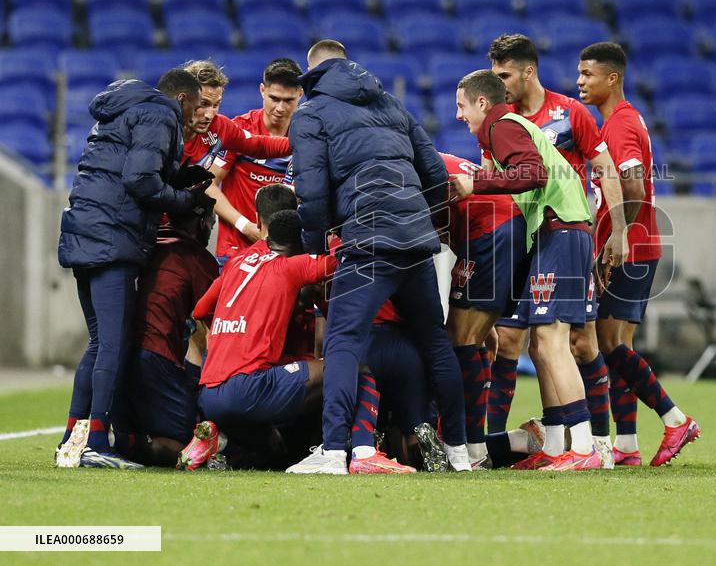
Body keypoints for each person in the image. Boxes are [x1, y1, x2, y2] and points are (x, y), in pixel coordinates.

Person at [286, 39, 469, 474]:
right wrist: (419, 220)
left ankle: (334, 452)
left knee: (342, 341)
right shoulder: (392, 105)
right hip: (416, 241)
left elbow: (311, 189)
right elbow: (435, 172)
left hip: (368, 242)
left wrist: (317, 244)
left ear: (312, 74)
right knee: (435, 341)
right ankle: (461, 453)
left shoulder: (311, 113)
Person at [55, 70, 213, 469]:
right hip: (113, 238)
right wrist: (185, 200)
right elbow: (140, 180)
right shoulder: (160, 114)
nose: (197, 115)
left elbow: (129, 168)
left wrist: (178, 176)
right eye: (196, 107)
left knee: (99, 343)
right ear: (181, 99)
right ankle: (95, 441)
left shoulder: (125, 109)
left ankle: (71, 439)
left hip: (85, 232)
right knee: (114, 343)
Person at [485, 34, 628, 465]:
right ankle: (516, 446)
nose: (498, 83)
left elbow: (605, 168)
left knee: (577, 342)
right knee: (515, 340)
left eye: (504, 75)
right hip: (524, 237)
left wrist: (618, 230)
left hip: (562, 231)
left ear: (528, 71)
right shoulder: (500, 120)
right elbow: (494, 182)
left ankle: (597, 443)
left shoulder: (569, 113)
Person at [451, 69, 600, 471]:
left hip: (560, 229)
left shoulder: (502, 125)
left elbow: (534, 173)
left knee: (552, 341)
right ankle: (553, 446)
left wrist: (477, 184)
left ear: (483, 103)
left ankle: (583, 448)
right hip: (558, 230)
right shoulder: (508, 127)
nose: (459, 115)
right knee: (539, 345)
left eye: (462, 106)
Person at [575, 41, 700, 467]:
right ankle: (627, 444)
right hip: (637, 244)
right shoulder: (623, 120)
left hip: (629, 246)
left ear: (612, 78)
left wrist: (619, 235)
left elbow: (632, 185)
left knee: (608, 343)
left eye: (588, 74)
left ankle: (675, 419)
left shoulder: (621, 125)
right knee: (620, 345)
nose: (579, 82)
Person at [188, 210, 329, 471]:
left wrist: (223, 331)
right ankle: (338, 450)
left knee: (275, 448)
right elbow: (338, 263)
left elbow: (200, 310)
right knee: (346, 367)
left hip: (209, 395)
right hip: (247, 387)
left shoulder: (236, 263)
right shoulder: (289, 267)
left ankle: (220, 445)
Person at [440, 151, 527, 467]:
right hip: (501, 228)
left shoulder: (413, 170)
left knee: (461, 339)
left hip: (490, 231)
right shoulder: (435, 160)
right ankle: (476, 443)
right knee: (469, 339)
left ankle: (473, 447)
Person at [119, 202, 218, 467]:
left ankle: (110, 437)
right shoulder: (196, 257)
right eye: (211, 221)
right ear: (200, 223)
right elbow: (215, 325)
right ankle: (122, 441)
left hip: (118, 352)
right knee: (193, 441)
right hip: (155, 353)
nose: (212, 227)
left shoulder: (146, 243)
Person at [208, 58, 303, 262]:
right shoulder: (239, 130)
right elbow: (208, 184)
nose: (280, 108)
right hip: (235, 249)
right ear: (262, 90)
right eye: (274, 98)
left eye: (288, 101)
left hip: (283, 253)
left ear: (300, 95)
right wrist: (244, 226)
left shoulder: (307, 136)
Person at [180, 59, 291, 169]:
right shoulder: (169, 132)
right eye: (203, 104)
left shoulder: (220, 127)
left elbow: (260, 146)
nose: (209, 115)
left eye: (216, 105)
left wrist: (299, 142)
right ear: (182, 99)